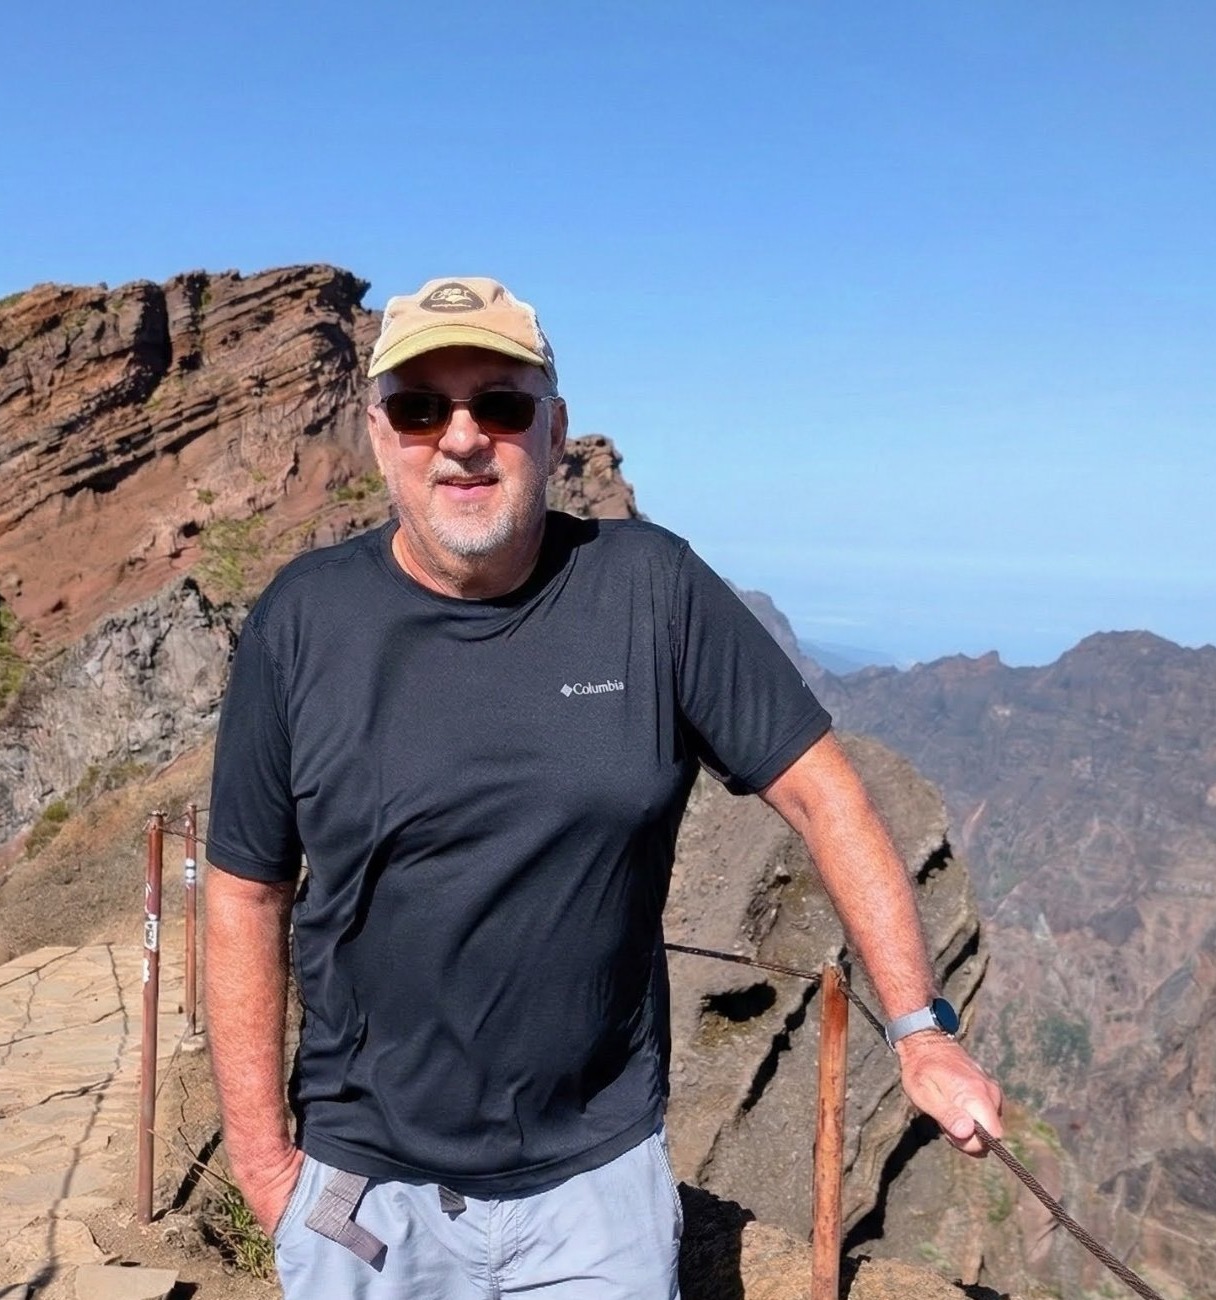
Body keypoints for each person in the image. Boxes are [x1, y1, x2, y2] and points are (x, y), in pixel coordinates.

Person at [203, 276, 1004, 1298]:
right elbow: (244, 888)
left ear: (554, 427)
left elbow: (824, 793)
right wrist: (265, 1162)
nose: (460, 437)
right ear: (376, 432)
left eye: (499, 403)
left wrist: (919, 1028)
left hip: (595, 1192)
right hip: (366, 1184)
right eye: (419, 407)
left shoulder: (650, 590)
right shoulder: (302, 620)